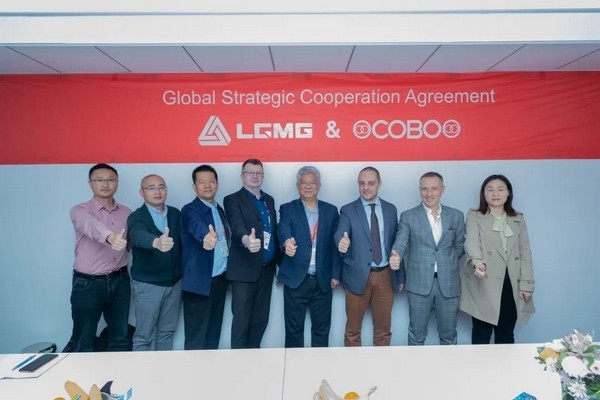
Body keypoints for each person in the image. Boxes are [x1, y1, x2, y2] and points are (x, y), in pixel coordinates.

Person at [390, 172, 465, 345]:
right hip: (419, 283)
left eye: (434, 189)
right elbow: (401, 241)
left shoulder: (456, 216)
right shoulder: (408, 216)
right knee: (416, 336)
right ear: (419, 190)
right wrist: (396, 254)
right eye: (424, 189)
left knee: (449, 336)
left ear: (443, 189)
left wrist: (447, 262)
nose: (429, 193)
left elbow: (460, 247)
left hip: (449, 284)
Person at [460, 174, 535, 344]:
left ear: (508, 193)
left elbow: (525, 252)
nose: (495, 194)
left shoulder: (518, 218)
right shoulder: (474, 215)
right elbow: (471, 242)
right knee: (481, 334)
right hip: (483, 279)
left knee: (506, 335)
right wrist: (478, 263)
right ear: (483, 193)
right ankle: (480, 364)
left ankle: (506, 363)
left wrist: (527, 284)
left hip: (511, 282)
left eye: (500, 189)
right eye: (490, 189)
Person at [68, 163, 131, 352]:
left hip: (120, 280)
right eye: (99, 180)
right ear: (90, 183)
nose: (105, 184)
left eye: (110, 179)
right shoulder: (80, 210)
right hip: (88, 284)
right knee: (83, 339)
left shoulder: (126, 212)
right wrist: (110, 237)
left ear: (117, 182)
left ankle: (118, 370)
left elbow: (132, 241)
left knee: (120, 337)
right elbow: (91, 225)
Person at [334, 166, 398, 346]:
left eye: (371, 183)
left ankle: (380, 364)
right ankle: (353, 365)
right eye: (361, 183)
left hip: (385, 276)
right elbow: (340, 231)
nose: (366, 187)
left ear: (379, 184)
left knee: (383, 331)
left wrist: (400, 276)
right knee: (352, 331)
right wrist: (341, 242)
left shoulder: (390, 209)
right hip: (357, 275)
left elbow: (396, 244)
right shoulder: (348, 210)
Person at [278, 166, 341, 348]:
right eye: (304, 183)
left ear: (319, 185)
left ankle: (318, 365)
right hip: (296, 279)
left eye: (312, 183)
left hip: (323, 280)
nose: (308, 186)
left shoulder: (331, 210)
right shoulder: (288, 208)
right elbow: (283, 227)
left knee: (321, 330)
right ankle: (294, 365)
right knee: (293, 330)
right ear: (297, 185)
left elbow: (334, 246)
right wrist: (286, 241)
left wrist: (335, 274)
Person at [224, 159, 279, 349]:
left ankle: (255, 359)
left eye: (258, 173)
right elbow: (236, 225)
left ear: (263, 176)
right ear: (242, 176)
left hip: (266, 269)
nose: (255, 176)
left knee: (260, 320)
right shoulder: (232, 199)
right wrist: (247, 240)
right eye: (250, 173)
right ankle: (239, 364)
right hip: (243, 271)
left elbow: (273, 231)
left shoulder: (269, 200)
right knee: (241, 322)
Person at [127, 174, 182, 351]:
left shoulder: (175, 213)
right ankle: (141, 370)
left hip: (174, 284)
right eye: (151, 188)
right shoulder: (136, 216)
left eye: (161, 187)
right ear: (141, 192)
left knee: (166, 333)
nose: (157, 191)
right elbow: (137, 235)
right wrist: (156, 242)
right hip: (148, 285)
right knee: (144, 336)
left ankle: (162, 369)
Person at [181, 165, 231, 350]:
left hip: (219, 280)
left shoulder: (219, 209)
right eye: (202, 182)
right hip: (199, 282)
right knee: (197, 336)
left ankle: (211, 368)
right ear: (194, 187)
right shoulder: (189, 210)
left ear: (217, 184)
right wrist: (206, 237)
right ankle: (193, 369)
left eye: (211, 181)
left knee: (213, 333)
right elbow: (196, 226)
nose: (207, 186)